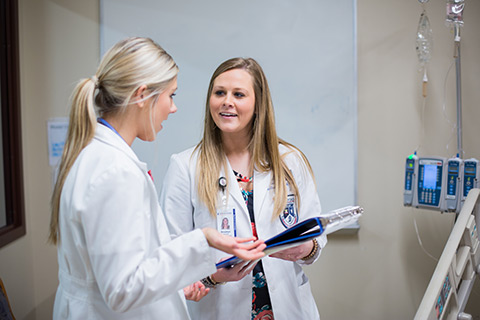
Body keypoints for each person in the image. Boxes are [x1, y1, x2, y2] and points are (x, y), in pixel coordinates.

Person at [48, 38, 265, 320]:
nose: (173, 108)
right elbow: (123, 289)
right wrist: (202, 239)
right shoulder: (116, 172)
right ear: (142, 95)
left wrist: (181, 280)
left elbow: (129, 269)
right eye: (171, 95)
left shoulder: (95, 155)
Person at [160, 57, 328, 320]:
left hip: (287, 307)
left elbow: (316, 234)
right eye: (219, 93)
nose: (227, 101)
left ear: (258, 103)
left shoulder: (290, 161)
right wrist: (213, 277)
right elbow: (172, 253)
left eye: (239, 94)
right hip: (220, 309)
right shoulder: (185, 166)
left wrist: (307, 249)